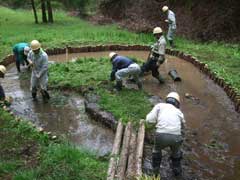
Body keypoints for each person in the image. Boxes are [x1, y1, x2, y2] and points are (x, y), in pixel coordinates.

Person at [145, 92, 185, 176]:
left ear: (167, 99)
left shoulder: (159, 106)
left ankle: (155, 171)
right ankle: (177, 171)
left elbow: (149, 119)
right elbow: (183, 126)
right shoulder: (179, 112)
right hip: (176, 136)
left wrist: (153, 124)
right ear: (177, 103)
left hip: (161, 135)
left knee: (156, 150)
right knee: (176, 152)